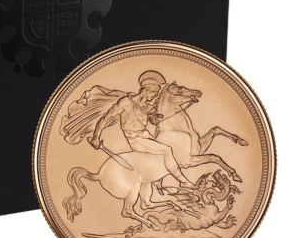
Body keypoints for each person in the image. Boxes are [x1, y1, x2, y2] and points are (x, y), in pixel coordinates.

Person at [61, 70, 197, 190]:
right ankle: (183, 182)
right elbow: (105, 118)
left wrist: (154, 118)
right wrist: (96, 137)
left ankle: (157, 181)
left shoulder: (146, 106)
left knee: (163, 154)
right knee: (166, 150)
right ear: (146, 89)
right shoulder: (126, 102)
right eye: (154, 93)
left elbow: (152, 117)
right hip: (136, 140)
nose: (155, 96)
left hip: (146, 136)